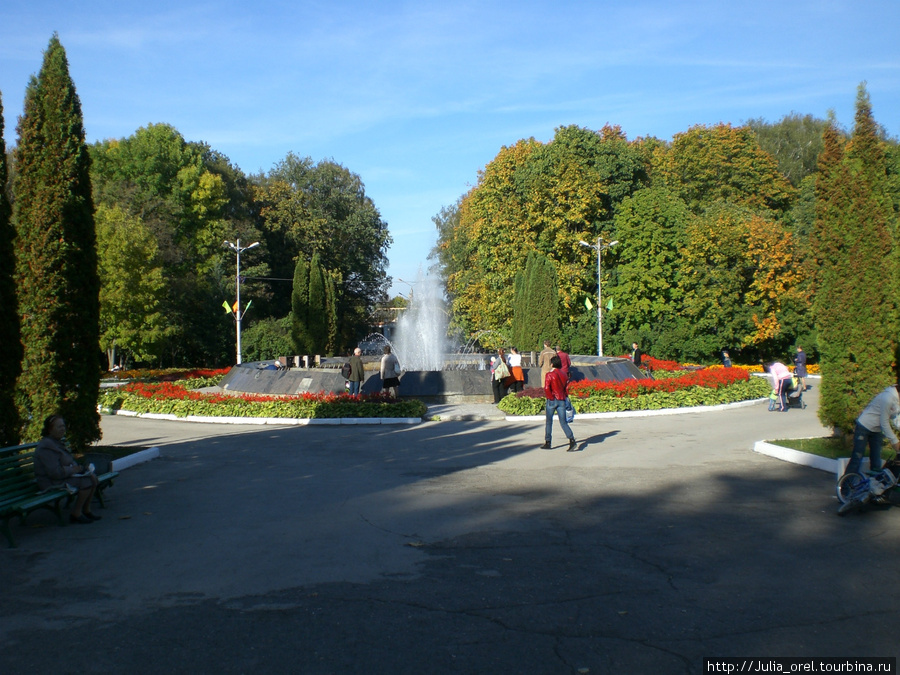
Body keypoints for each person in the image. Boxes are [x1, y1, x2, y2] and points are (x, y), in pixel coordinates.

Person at [33, 415, 101, 524]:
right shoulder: (46, 447)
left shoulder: (57, 443)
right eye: (59, 427)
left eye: (63, 426)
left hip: (62, 477)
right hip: (50, 482)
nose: (63, 429)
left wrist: (81, 470)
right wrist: (74, 470)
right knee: (86, 481)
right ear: (50, 430)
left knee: (92, 477)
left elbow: (68, 461)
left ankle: (86, 510)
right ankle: (76, 513)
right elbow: (54, 472)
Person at [844, 383, 900, 476]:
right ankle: (845, 487)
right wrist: (894, 441)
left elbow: (896, 418)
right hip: (864, 426)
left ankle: (873, 487)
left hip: (876, 430)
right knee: (857, 457)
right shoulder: (887, 398)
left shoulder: (897, 401)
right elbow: (884, 422)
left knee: (876, 462)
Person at [541, 355, 576, 451]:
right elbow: (566, 388)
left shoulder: (549, 374)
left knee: (549, 422)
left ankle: (548, 442)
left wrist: (550, 398)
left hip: (552, 400)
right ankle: (572, 440)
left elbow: (547, 388)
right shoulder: (564, 374)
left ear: (552, 364)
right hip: (562, 399)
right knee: (563, 422)